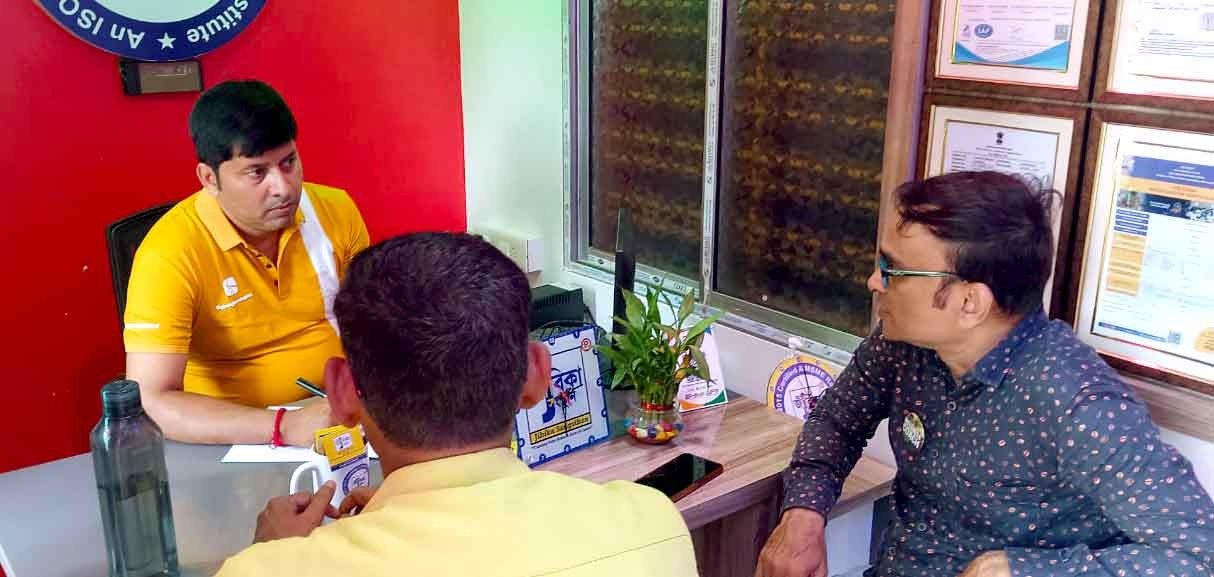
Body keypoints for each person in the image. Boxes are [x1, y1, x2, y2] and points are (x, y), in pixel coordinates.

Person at [756, 171, 1214, 577]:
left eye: (894, 270)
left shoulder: (1079, 402)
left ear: (969, 302)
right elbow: (837, 422)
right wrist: (803, 514)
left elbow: (1197, 556)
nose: (875, 281)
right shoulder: (902, 343)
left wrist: (1024, 571)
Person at [214, 232, 700, 576]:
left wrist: (270, 558)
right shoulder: (651, 523)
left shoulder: (268, 571)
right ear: (537, 374)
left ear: (341, 391)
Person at [123, 80, 369, 446]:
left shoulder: (335, 211)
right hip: (235, 437)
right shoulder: (169, 253)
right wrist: (285, 426)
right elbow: (152, 400)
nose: (283, 187)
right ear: (210, 178)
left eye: (289, 163)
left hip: (338, 417)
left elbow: (374, 328)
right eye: (257, 172)